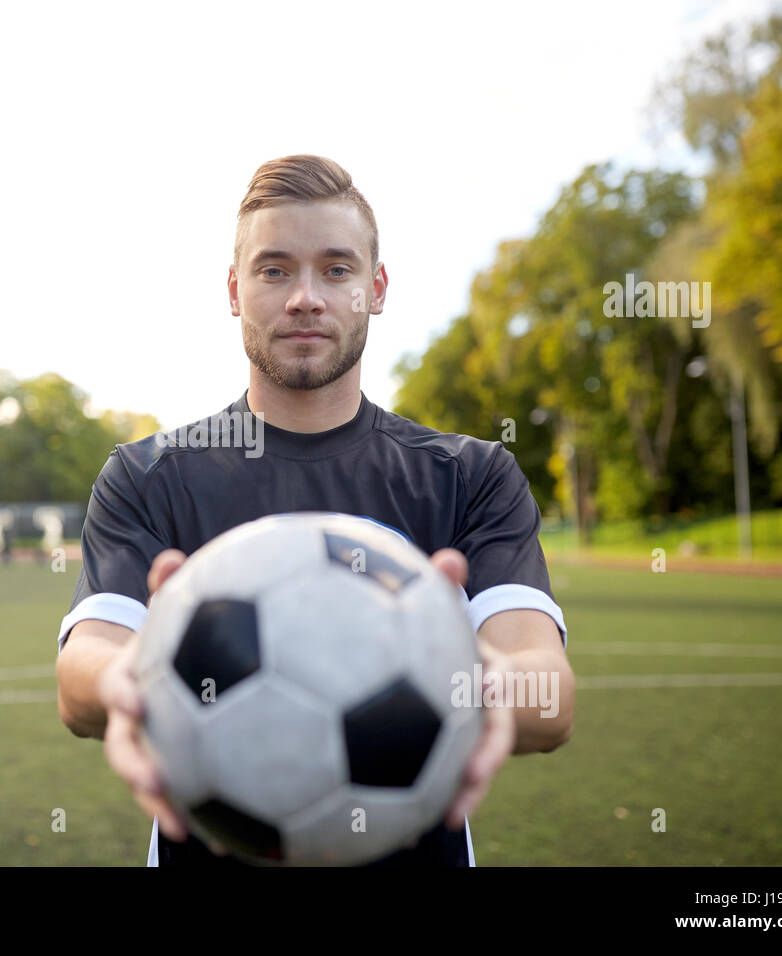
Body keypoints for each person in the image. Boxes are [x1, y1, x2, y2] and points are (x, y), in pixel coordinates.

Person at [54, 154, 575, 866]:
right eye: (274, 270)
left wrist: (471, 679)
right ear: (235, 290)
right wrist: (123, 680)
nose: (305, 297)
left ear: (376, 287)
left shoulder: (469, 475)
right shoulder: (148, 476)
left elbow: (548, 698)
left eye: (336, 269)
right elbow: (85, 671)